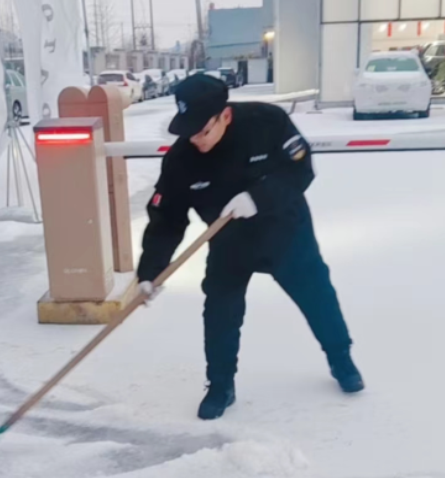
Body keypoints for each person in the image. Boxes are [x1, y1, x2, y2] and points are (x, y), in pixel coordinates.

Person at [136, 74, 364, 420]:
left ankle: (340, 358)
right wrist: (151, 271)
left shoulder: (266, 122)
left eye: (203, 130)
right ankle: (220, 385)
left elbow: (301, 170)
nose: (195, 138)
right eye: (188, 131)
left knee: (316, 295)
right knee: (219, 312)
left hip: (284, 231)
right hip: (229, 243)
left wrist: (258, 198)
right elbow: (166, 218)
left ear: (224, 115)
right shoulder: (182, 159)